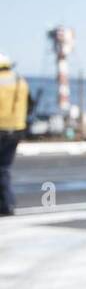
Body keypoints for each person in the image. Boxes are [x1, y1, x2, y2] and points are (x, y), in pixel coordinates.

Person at [0, 53, 30, 216]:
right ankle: (8, 204)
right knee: (4, 168)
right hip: (17, 129)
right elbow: (29, 105)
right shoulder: (20, 80)